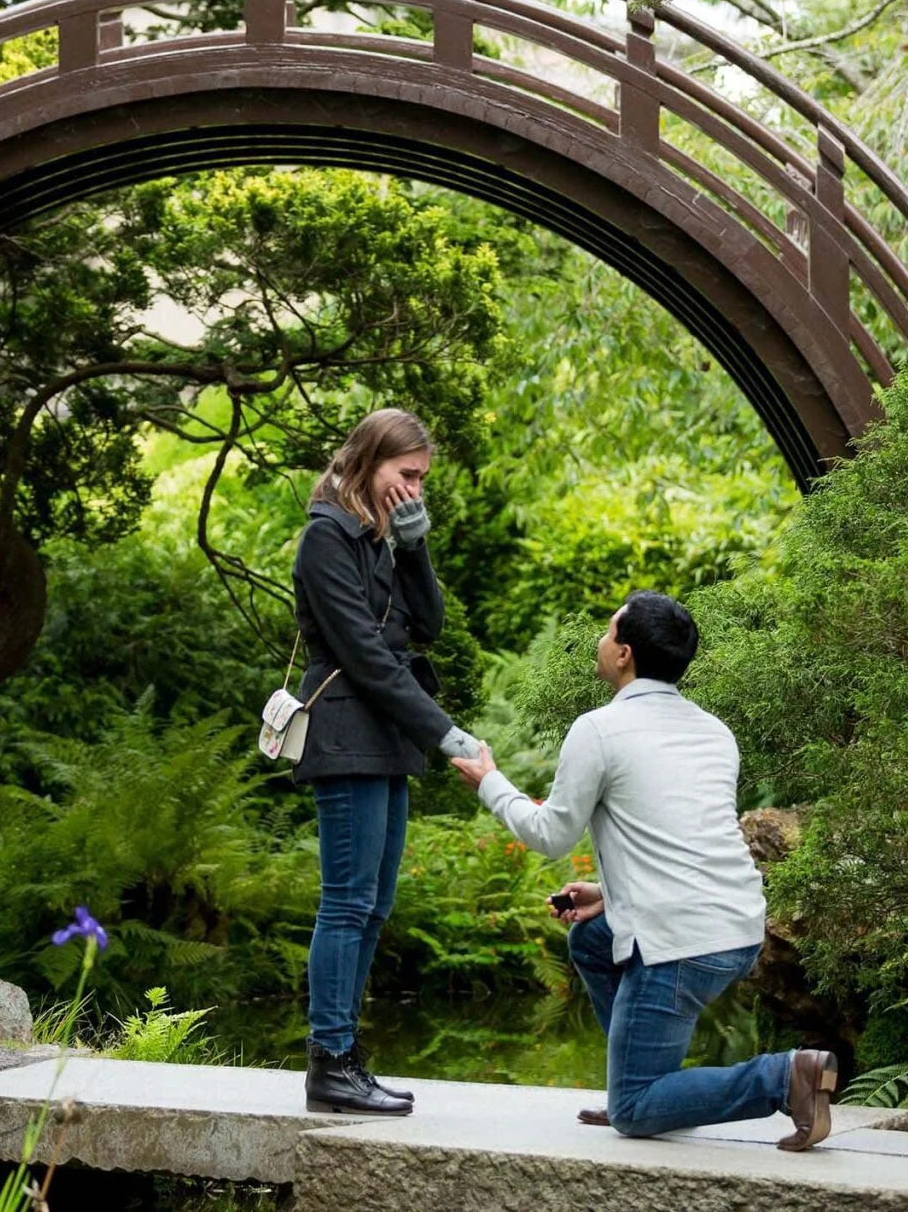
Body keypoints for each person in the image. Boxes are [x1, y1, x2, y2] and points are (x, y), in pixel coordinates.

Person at [449, 591, 838, 1150]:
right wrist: (609, 898)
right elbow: (679, 841)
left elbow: (550, 835)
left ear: (625, 654)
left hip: (680, 940)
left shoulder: (599, 729)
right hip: (739, 926)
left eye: (608, 632)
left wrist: (490, 781)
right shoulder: (714, 731)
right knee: (590, 938)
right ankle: (645, 1077)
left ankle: (781, 1077)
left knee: (632, 1110)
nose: (601, 642)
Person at [291, 408, 484, 1117]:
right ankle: (330, 1061)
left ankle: (347, 1058)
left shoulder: (379, 537)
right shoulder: (326, 539)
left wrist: (416, 547)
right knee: (346, 901)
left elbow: (428, 628)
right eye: (406, 476)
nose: (414, 490)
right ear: (369, 463)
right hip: (346, 737)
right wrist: (446, 734)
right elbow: (368, 659)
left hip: (386, 742)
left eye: (422, 481)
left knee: (373, 906)